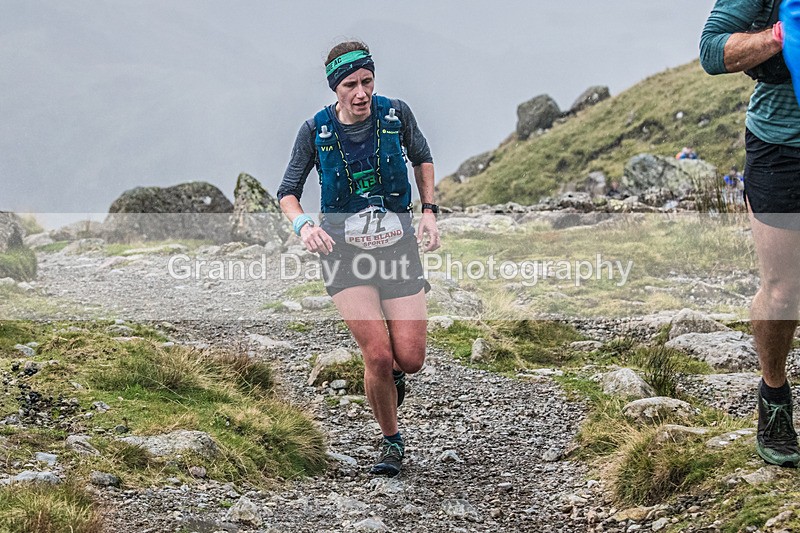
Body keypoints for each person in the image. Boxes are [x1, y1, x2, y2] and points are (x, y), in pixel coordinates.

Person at [276, 41, 440, 477]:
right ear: (336, 87)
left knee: (410, 358)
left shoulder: (396, 115)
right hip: (342, 252)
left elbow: (423, 158)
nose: (361, 92)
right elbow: (287, 192)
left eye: (367, 81)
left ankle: (394, 377)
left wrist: (428, 212)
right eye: (351, 84)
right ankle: (392, 442)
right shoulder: (315, 131)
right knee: (378, 355)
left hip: (398, 244)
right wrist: (304, 226)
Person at [702, 0, 800, 467]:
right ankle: (774, 395)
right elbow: (712, 50)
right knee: (784, 291)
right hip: (783, 146)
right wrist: (781, 36)